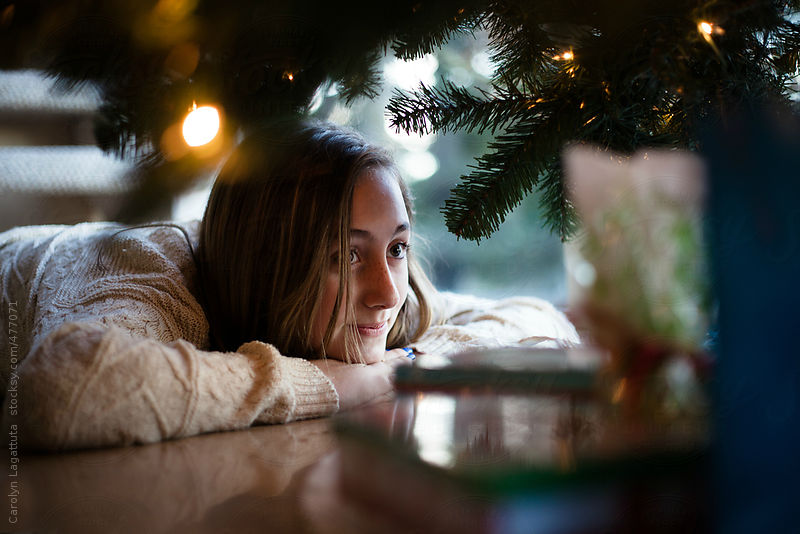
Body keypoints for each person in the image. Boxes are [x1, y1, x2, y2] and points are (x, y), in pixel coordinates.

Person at [0, 121, 579, 451]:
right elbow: (64, 394)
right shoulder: (143, 269)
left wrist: (412, 363)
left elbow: (539, 318)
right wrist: (333, 384)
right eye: (344, 255)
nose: (386, 291)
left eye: (396, 248)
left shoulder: (386, 303)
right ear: (271, 261)